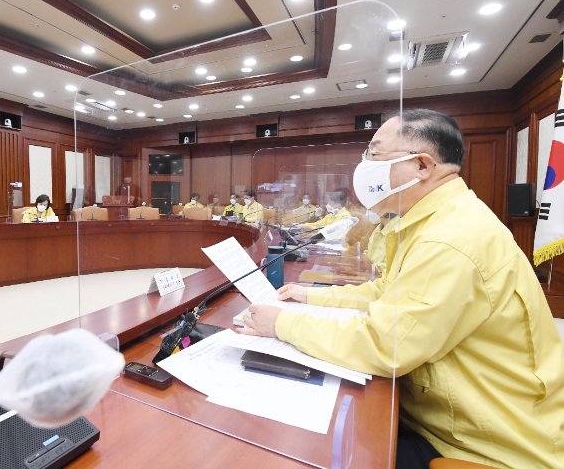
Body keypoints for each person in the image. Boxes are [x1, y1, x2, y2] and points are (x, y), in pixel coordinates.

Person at [237, 109, 564, 469]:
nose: (364, 165)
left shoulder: (450, 238)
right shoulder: (436, 219)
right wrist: (310, 294)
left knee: (323, 449)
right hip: (446, 419)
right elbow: (386, 292)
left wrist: (282, 324)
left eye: (374, 154)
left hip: (483, 444)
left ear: (423, 166)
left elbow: (384, 344)